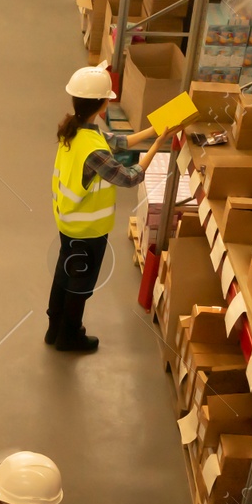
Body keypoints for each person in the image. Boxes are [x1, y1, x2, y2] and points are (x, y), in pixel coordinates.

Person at [49, 65, 175, 353]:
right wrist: (157, 144)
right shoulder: (94, 151)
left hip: (68, 222)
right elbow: (129, 177)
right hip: (88, 230)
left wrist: (156, 129)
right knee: (79, 284)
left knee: (64, 274)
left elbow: (117, 143)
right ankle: (69, 336)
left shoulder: (75, 129)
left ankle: (54, 328)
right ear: (104, 104)